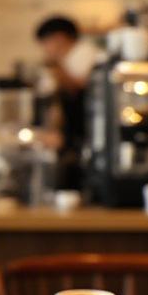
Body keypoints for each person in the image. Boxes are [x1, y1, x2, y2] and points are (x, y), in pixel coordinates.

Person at [34, 16, 101, 186]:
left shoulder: (85, 53)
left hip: (85, 135)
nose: (44, 49)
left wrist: (56, 68)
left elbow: (77, 90)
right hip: (73, 135)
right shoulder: (65, 60)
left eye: (45, 42)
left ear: (59, 38)